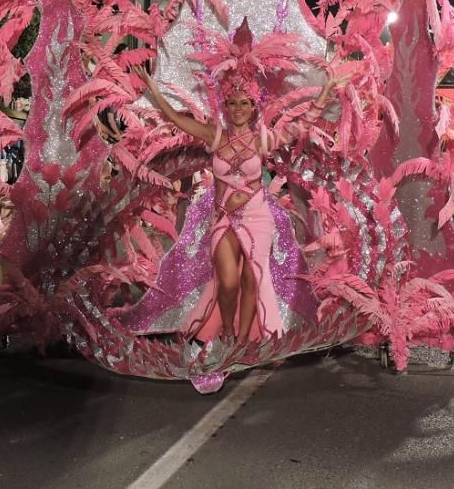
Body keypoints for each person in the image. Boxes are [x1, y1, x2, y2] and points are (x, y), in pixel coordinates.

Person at [120, 20, 343, 343]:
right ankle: (225, 331)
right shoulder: (215, 135)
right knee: (227, 281)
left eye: (245, 103)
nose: (238, 108)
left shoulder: (263, 139)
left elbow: (302, 126)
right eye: (233, 103)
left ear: (253, 107)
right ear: (226, 105)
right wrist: (152, 89)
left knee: (252, 278)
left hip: (257, 216)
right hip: (223, 216)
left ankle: (240, 342)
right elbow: (175, 118)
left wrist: (324, 93)